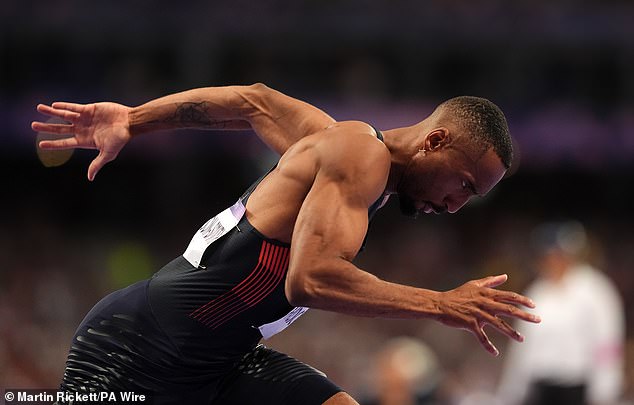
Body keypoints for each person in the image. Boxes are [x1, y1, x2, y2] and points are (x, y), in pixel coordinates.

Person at [32, 83, 541, 405]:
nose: (455, 206)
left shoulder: (339, 144)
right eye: (464, 186)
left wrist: (134, 119)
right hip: (135, 353)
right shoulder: (360, 154)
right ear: (435, 141)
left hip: (221, 362)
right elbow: (310, 279)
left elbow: (254, 102)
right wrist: (440, 302)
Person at [497, 221, 625, 405]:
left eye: (557, 254)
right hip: (541, 387)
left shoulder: (595, 290)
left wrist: (605, 390)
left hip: (578, 388)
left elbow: (607, 341)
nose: (552, 260)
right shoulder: (538, 292)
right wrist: (511, 391)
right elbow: (523, 346)